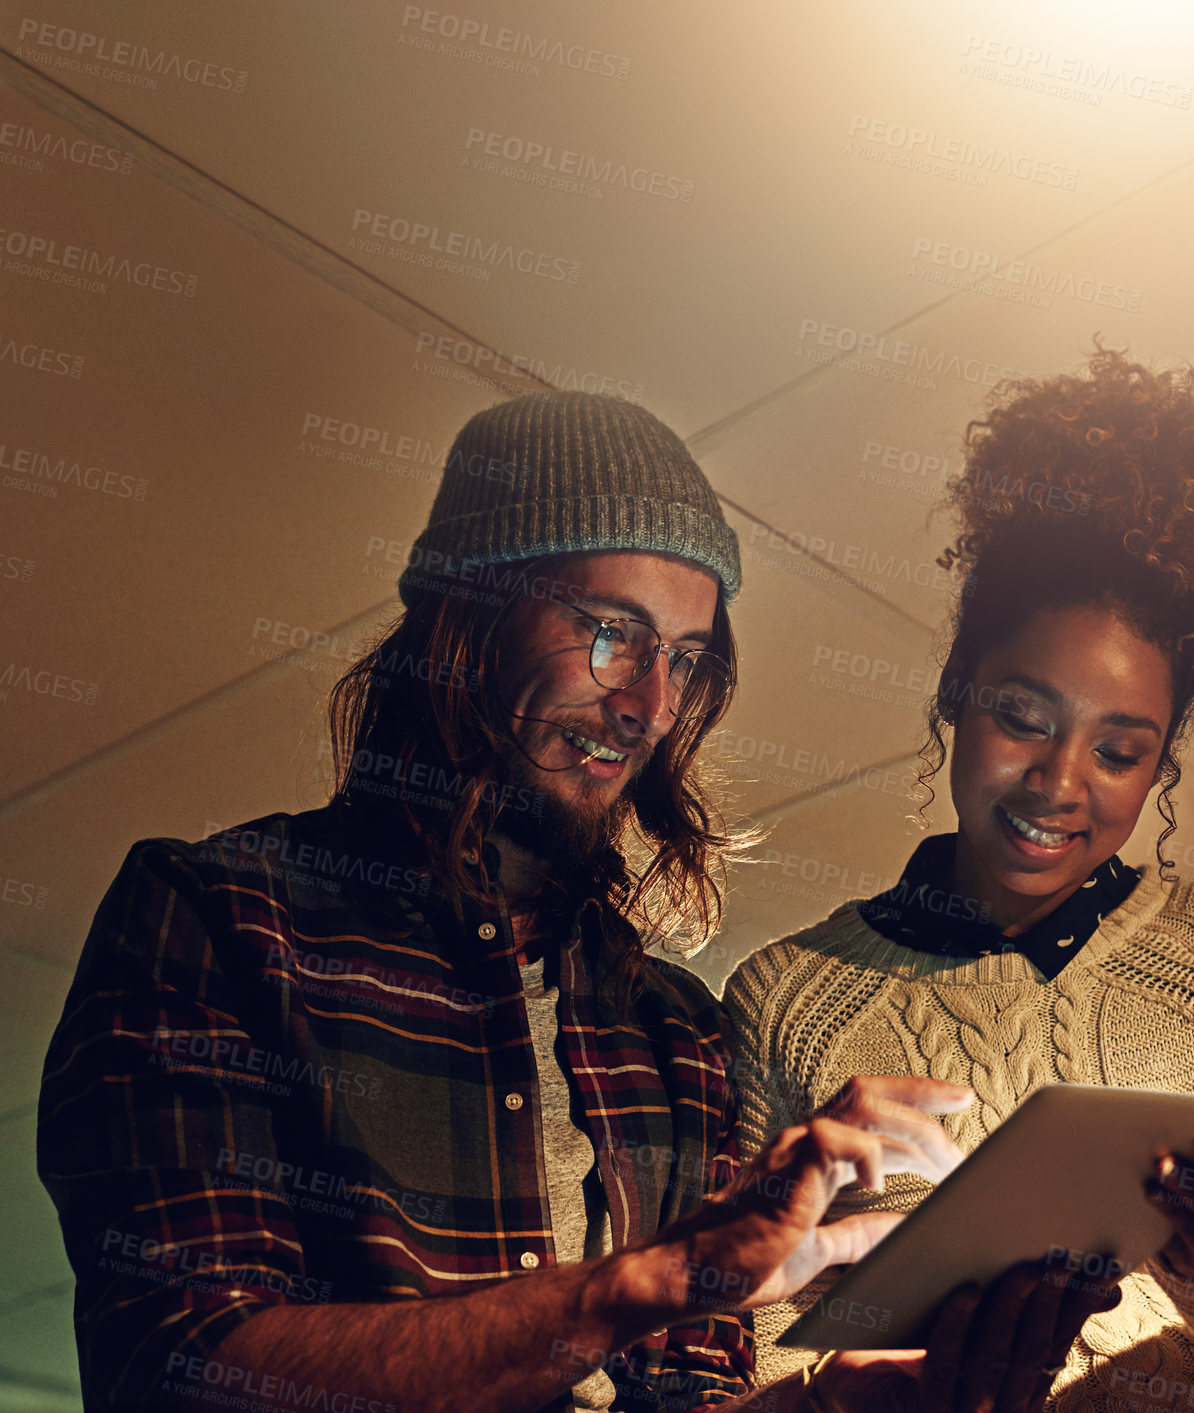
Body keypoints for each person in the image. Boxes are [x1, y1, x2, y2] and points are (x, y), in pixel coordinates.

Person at [37, 391, 1114, 1413]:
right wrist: (642, 1281)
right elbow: (175, 1370)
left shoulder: (675, 1028)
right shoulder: (216, 914)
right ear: (466, 620)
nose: (648, 706)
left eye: (685, 661)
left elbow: (687, 1390)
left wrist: (836, 1402)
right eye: (611, 632)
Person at [725, 348, 1194, 1413]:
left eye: (1119, 752)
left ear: (1161, 761)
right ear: (955, 693)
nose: (1058, 785)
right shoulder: (783, 998)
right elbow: (739, 1351)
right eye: (1022, 720)